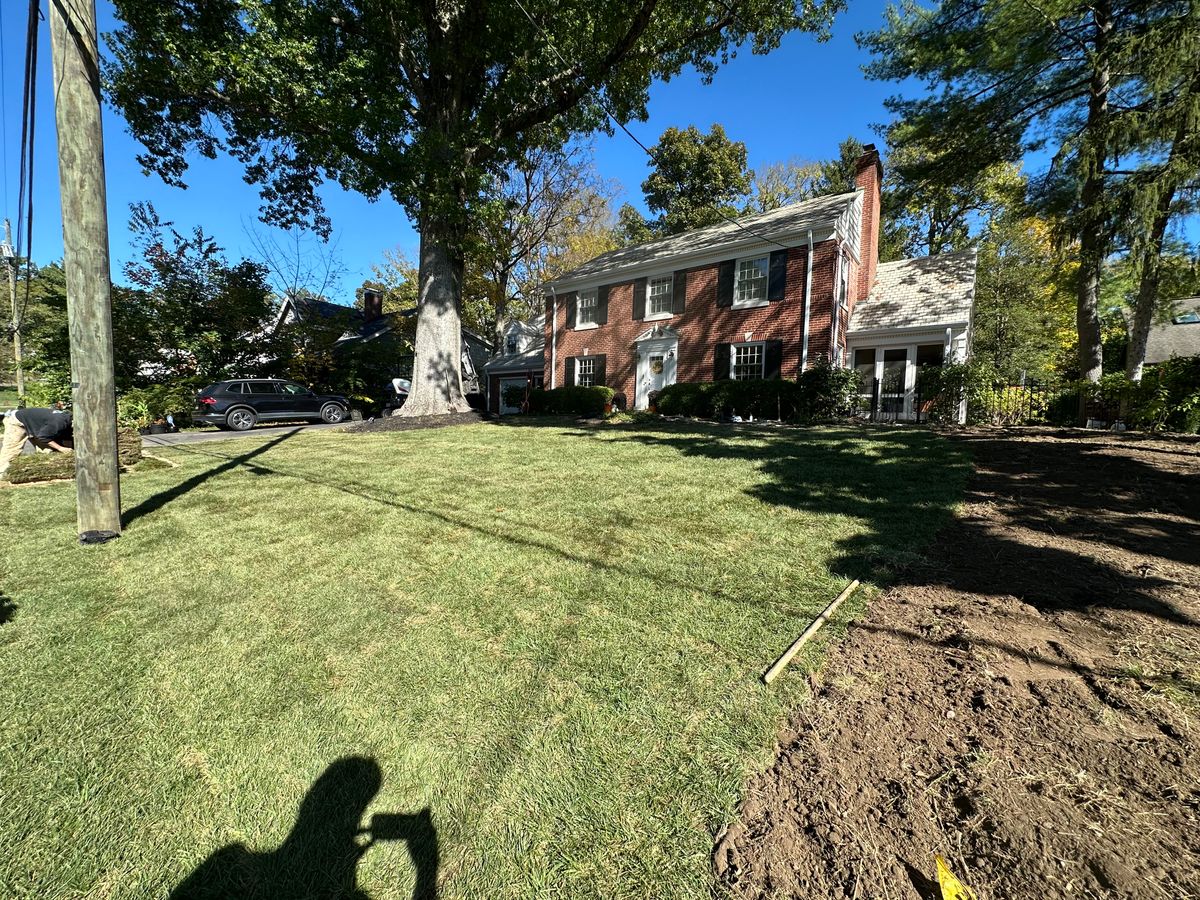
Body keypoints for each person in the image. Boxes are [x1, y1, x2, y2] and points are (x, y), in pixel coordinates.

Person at [0, 406, 73, 481]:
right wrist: (61, 448)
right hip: (16, 421)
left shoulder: (68, 419)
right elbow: (44, 437)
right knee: (12, 450)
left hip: (35, 425)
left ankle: (45, 474)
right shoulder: (60, 422)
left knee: (46, 451)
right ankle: (2, 474)